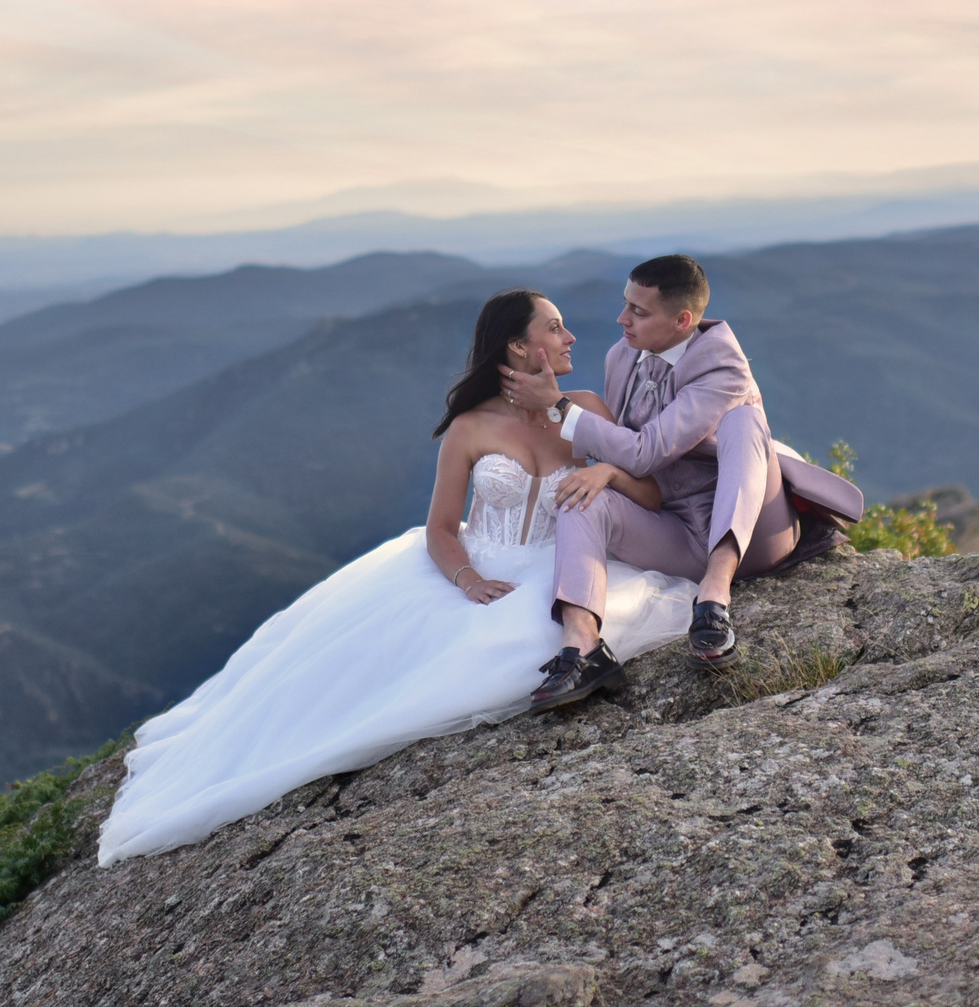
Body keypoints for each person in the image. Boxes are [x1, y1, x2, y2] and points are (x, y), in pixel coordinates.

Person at [95, 288, 696, 865]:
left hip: (562, 562)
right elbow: (440, 528)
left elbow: (648, 490)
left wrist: (606, 475)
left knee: (539, 640)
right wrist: (467, 579)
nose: (569, 337)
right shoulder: (471, 428)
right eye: (553, 328)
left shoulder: (586, 408)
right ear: (518, 348)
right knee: (372, 678)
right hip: (480, 565)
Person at [498, 254, 862, 712]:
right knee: (582, 495)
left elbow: (644, 451)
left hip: (753, 536)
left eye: (639, 311)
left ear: (683, 320)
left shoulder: (723, 367)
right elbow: (625, 454)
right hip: (672, 526)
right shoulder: (621, 355)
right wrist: (608, 473)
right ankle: (584, 649)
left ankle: (714, 598)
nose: (622, 319)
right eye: (625, 304)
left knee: (746, 421)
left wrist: (561, 408)